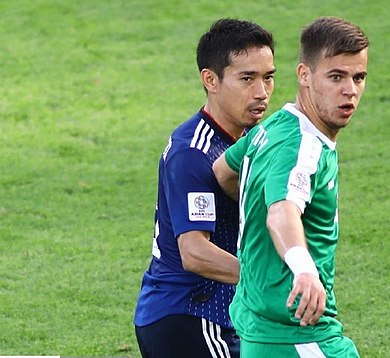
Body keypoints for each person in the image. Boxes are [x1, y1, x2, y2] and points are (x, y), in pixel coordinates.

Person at [213, 16, 369, 357]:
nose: (350, 90)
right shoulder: (303, 147)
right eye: (336, 77)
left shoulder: (272, 127)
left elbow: (223, 169)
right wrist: (303, 269)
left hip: (260, 330)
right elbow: (282, 211)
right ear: (304, 75)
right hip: (297, 334)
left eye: (359, 77)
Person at [133, 18, 276, 358]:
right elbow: (194, 252)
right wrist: (271, 281)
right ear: (210, 80)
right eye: (247, 78)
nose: (261, 92)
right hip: (187, 318)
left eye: (268, 77)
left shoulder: (247, 138)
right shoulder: (193, 152)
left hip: (222, 315)